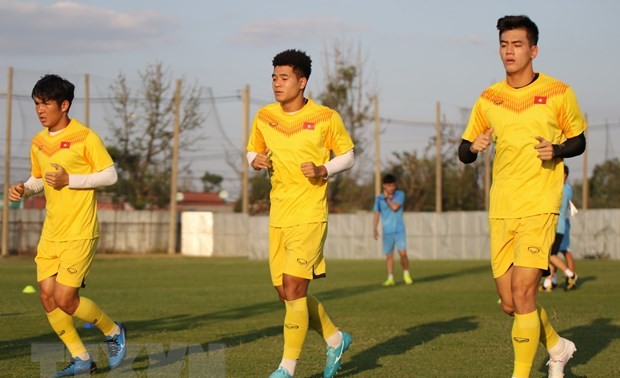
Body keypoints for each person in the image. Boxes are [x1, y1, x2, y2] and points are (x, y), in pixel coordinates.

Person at [458, 15, 586, 378]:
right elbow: (463, 151)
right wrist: (474, 146)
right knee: (512, 304)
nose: (509, 51)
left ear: (534, 50)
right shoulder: (489, 98)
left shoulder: (559, 93)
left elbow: (578, 140)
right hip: (502, 208)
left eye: (516, 44)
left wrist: (557, 150)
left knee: (525, 291)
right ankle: (558, 347)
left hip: (540, 205)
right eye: (504, 44)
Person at [8, 74, 127, 377]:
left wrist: (69, 180)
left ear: (64, 104)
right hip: (52, 232)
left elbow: (110, 175)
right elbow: (40, 178)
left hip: (80, 231)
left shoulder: (85, 137)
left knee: (65, 299)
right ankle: (81, 359)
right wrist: (24, 188)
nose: (40, 110)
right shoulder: (37, 142)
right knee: (47, 296)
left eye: (46, 103)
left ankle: (113, 331)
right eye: (36, 103)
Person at [247, 49, 355, 378]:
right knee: (287, 294)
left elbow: (348, 156)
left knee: (294, 288)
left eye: (284, 78)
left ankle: (286, 369)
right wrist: (255, 160)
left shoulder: (326, 117)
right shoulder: (265, 116)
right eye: (274, 78)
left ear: (302, 81)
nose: (277, 84)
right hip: (278, 213)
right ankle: (336, 339)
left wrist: (324, 168)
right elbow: (252, 149)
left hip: (309, 213)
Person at [541, 165, 578, 292]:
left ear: (564, 175)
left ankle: (570, 274)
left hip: (556, 226)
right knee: (553, 254)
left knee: (550, 254)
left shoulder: (561, 189)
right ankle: (549, 282)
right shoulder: (567, 189)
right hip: (560, 225)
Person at [373, 174, 412, 286]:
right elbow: (376, 213)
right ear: (384, 186)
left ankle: (406, 274)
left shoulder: (400, 194)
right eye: (389, 185)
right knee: (389, 256)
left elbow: (395, 208)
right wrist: (374, 228)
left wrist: (387, 199)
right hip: (387, 231)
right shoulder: (379, 198)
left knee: (403, 253)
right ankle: (390, 278)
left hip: (399, 230)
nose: (392, 188)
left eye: (393, 185)